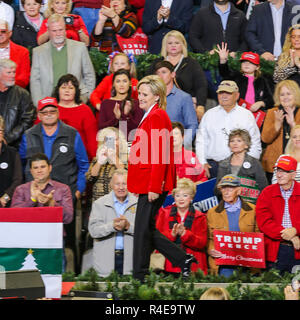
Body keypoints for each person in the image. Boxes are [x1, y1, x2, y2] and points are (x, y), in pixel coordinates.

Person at [127, 74, 197, 282]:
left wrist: (154, 186)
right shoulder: (151, 114)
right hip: (148, 182)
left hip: (152, 184)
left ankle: (139, 275)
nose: (140, 97)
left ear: (156, 96)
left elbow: (160, 154)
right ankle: (182, 259)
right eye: (139, 93)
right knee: (146, 229)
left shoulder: (157, 116)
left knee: (141, 230)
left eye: (145, 94)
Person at [18, 96, 89, 273]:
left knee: (68, 240)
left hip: (64, 195)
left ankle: (70, 276)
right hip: (34, 197)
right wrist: (29, 192)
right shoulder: (29, 135)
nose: (49, 115)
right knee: (35, 240)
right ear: (39, 115)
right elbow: (22, 164)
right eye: (45, 112)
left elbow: (83, 164)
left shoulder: (72, 133)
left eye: (52, 111)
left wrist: (79, 190)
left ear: (58, 112)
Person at [196, 80, 262, 179]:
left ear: (237, 95)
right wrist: (202, 162)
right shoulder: (209, 114)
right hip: (213, 167)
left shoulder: (246, 115)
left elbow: (255, 142)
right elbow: (200, 141)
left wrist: (248, 165)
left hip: (239, 167)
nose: (224, 96)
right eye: (221, 93)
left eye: (228, 93)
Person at [30, 13, 96, 107]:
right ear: (48, 31)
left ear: (65, 29)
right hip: (48, 104)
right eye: (54, 31)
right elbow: (35, 81)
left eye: (61, 30)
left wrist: (85, 97)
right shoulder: (38, 52)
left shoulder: (80, 48)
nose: (58, 34)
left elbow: (89, 74)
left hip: (76, 103)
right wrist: (39, 104)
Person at [148, 30, 207, 121]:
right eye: (170, 43)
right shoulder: (157, 63)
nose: (173, 45)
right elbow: (149, 84)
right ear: (165, 46)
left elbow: (201, 86)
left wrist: (200, 105)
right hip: (160, 104)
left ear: (183, 45)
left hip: (187, 105)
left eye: (177, 43)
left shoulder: (191, 63)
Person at [207, 174, 259, 276]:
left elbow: (259, 236)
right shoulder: (212, 212)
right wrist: (210, 250)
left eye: (230, 188)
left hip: (248, 264)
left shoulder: (253, 210)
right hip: (222, 266)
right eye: (223, 188)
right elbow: (209, 238)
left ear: (239, 190)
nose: (226, 192)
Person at [256, 155, 300, 274]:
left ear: (293, 174)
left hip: (297, 249)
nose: (279, 175)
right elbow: (264, 222)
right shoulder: (267, 193)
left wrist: (295, 230)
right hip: (275, 249)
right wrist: (290, 235)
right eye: (278, 171)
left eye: (284, 171)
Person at [88, 169, 137, 277]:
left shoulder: (138, 204)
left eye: (124, 183)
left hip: (131, 260)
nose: (121, 187)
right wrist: (112, 226)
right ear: (111, 185)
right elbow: (93, 231)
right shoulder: (99, 204)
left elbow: (146, 232)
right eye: (117, 184)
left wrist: (128, 227)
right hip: (105, 260)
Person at [156, 178, 208, 275]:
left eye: (185, 195)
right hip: (169, 265)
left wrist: (185, 234)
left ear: (191, 197)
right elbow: (156, 239)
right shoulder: (164, 213)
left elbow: (202, 243)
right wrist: (172, 234)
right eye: (178, 195)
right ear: (174, 197)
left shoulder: (200, 217)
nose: (181, 199)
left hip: (193, 266)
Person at [11, 152, 73, 225]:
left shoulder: (63, 189)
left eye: (43, 167)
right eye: (35, 168)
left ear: (50, 168)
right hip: (27, 233)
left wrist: (52, 203)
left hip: (53, 233)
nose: (39, 170)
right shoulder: (20, 189)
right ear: (31, 171)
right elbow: (14, 217)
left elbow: (68, 218)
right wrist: (32, 200)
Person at [216, 45, 274, 115]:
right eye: (244, 62)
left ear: (257, 67)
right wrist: (223, 60)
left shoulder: (262, 80)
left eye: (250, 62)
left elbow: (270, 100)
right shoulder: (236, 77)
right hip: (236, 114)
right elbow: (225, 74)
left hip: (256, 116)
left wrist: (261, 103)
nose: (246, 64)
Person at [261, 80, 300, 183]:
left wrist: (293, 123)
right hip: (274, 165)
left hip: (297, 164)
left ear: (295, 94)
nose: (285, 97)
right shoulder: (271, 112)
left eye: (288, 93)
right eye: (282, 94)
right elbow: (265, 138)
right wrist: (277, 125)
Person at [216, 129, 268, 204]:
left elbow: (263, 188)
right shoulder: (223, 164)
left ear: (246, 145)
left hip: (251, 205)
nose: (235, 143)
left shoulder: (255, 163)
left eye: (239, 141)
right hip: (228, 204)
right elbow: (216, 190)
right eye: (232, 141)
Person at [53, 73, 98, 160]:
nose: (67, 91)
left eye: (71, 88)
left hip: (79, 158)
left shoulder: (85, 110)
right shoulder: (50, 108)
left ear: (76, 91)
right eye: (63, 87)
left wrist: (94, 161)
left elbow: (92, 140)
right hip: (53, 158)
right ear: (58, 90)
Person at [154, 61, 198, 148]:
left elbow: (192, 124)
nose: (160, 76)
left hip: (177, 148)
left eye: (164, 72)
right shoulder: (153, 97)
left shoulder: (184, 97)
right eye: (158, 73)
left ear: (173, 74)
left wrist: (183, 144)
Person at [98, 68, 144, 140]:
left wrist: (125, 116)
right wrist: (116, 119)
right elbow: (101, 128)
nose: (121, 84)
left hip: (130, 144)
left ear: (130, 83)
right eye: (118, 81)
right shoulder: (105, 103)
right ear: (113, 84)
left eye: (125, 81)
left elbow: (138, 129)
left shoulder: (136, 104)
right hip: (110, 144)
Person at [86, 126, 128, 202]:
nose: (113, 143)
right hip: (99, 203)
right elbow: (89, 179)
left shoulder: (127, 158)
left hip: (120, 202)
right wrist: (99, 162)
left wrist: (114, 158)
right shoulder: (98, 158)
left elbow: (129, 177)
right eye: (109, 140)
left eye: (115, 140)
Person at [0, 59, 35, 148]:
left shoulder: (23, 94)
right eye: (9, 73)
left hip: (14, 145)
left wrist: (7, 139)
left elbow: (27, 120)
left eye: (14, 72)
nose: (13, 76)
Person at [0, 19, 31, 89]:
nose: (0, 34)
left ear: (10, 33)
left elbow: (24, 79)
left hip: (13, 93)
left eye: (3, 31)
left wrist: (5, 87)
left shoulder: (23, 52)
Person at [0, 115, 23, 208]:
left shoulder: (12, 153)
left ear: (3, 132)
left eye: (0, 130)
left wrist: (5, 198)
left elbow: (18, 180)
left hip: (8, 204)